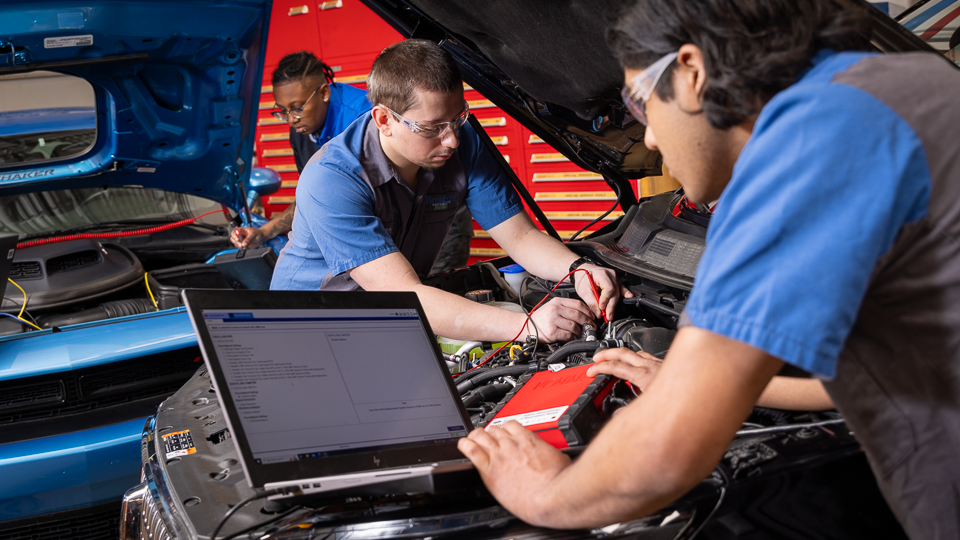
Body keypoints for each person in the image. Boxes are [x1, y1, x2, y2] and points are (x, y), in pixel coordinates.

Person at [457, 1, 960, 538]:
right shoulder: (912, 83)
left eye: (639, 102)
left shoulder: (801, 154)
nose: (646, 138)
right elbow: (871, 377)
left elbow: (672, 449)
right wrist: (689, 383)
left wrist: (544, 495)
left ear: (692, 71)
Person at [270, 39, 625, 343]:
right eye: (433, 127)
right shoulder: (331, 179)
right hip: (307, 328)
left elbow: (519, 236)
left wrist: (578, 268)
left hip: (388, 316)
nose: (452, 139)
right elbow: (403, 295)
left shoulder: (461, 142)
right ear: (383, 120)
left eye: (458, 118)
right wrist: (529, 326)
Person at [233, 50, 473, 273]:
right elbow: (318, 197)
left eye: (296, 108)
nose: (290, 119)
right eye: (282, 111)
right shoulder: (302, 129)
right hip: (380, 233)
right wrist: (264, 232)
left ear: (325, 93)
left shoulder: (365, 121)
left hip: (433, 221)